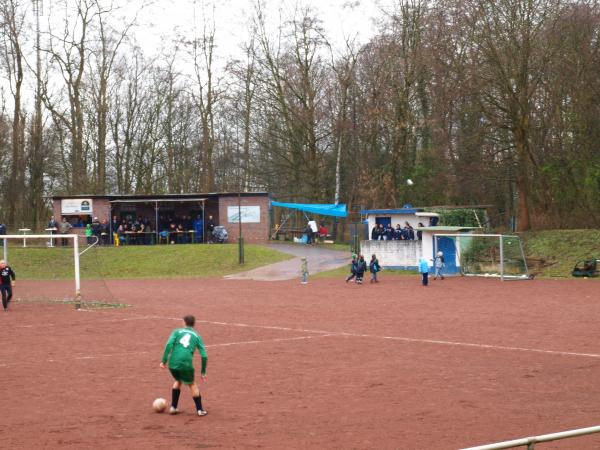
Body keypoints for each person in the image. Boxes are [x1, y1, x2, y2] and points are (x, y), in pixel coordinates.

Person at [160, 315, 208, 416]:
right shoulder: (197, 336)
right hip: (185, 363)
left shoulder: (177, 332)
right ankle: (200, 410)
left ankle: (173, 407)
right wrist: (203, 372)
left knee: (178, 380)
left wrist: (164, 361)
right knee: (192, 384)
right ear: (194, 324)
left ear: (184, 322)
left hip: (173, 363)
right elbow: (204, 355)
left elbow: (168, 345)